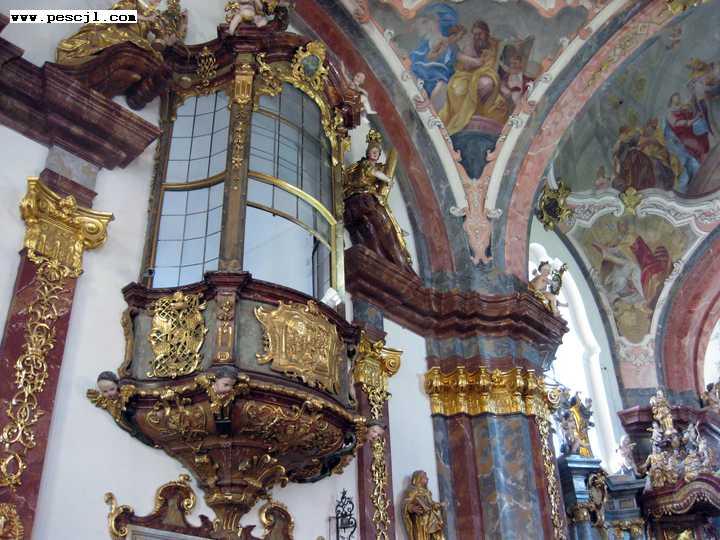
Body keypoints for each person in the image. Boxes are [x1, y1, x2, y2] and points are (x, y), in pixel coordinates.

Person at [344, 130, 414, 273]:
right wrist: (387, 179)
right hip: (363, 198)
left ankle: (388, 254)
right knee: (376, 225)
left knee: (378, 228)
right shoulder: (366, 164)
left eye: (377, 152)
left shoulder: (375, 166)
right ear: (368, 152)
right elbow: (373, 173)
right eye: (373, 151)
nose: (375, 154)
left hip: (364, 199)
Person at [439, 19, 509, 136]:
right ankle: (469, 115)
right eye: (475, 34)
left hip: (488, 77)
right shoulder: (469, 46)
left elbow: (500, 61)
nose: (477, 37)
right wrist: (472, 61)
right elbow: (468, 65)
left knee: (490, 89)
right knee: (461, 89)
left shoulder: (496, 45)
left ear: (487, 33)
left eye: (480, 34)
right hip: (466, 76)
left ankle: (480, 113)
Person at [56, 0, 182, 65]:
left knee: (152, 54)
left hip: (138, 39)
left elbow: (162, 40)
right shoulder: (132, 2)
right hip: (120, 32)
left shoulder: (155, 16)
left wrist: (179, 30)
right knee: (110, 38)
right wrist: (146, 18)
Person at [402, 470, 446, 540]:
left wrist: (439, 505)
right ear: (418, 478)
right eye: (425, 477)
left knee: (437, 536)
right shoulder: (413, 490)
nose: (427, 478)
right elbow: (405, 503)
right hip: (421, 522)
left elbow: (431, 504)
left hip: (431, 521)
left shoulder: (427, 492)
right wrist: (412, 508)